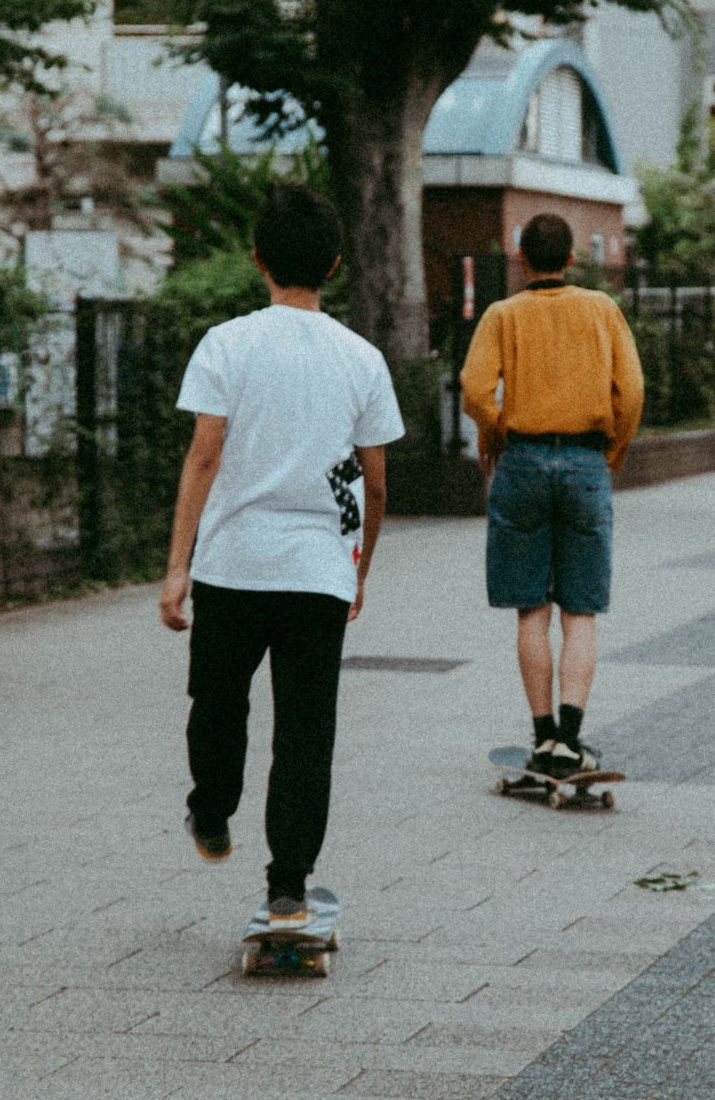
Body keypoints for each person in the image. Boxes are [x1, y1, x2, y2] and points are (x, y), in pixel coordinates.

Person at [158, 184, 404, 928]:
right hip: (317, 571)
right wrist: (357, 567)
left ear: (257, 258)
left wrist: (177, 568)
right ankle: (289, 883)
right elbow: (376, 481)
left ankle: (211, 809)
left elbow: (204, 456)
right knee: (305, 731)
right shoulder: (361, 358)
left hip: (230, 565)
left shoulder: (226, 344)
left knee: (217, 701)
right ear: (335, 262)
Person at [459, 212, 644, 778]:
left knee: (531, 609)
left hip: (522, 461)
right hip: (587, 459)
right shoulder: (602, 310)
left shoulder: (502, 314)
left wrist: (497, 430)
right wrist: (611, 448)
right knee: (581, 611)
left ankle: (540, 739)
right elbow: (631, 390)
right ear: (571, 258)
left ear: (521, 258)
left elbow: (473, 387)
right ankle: (571, 737)